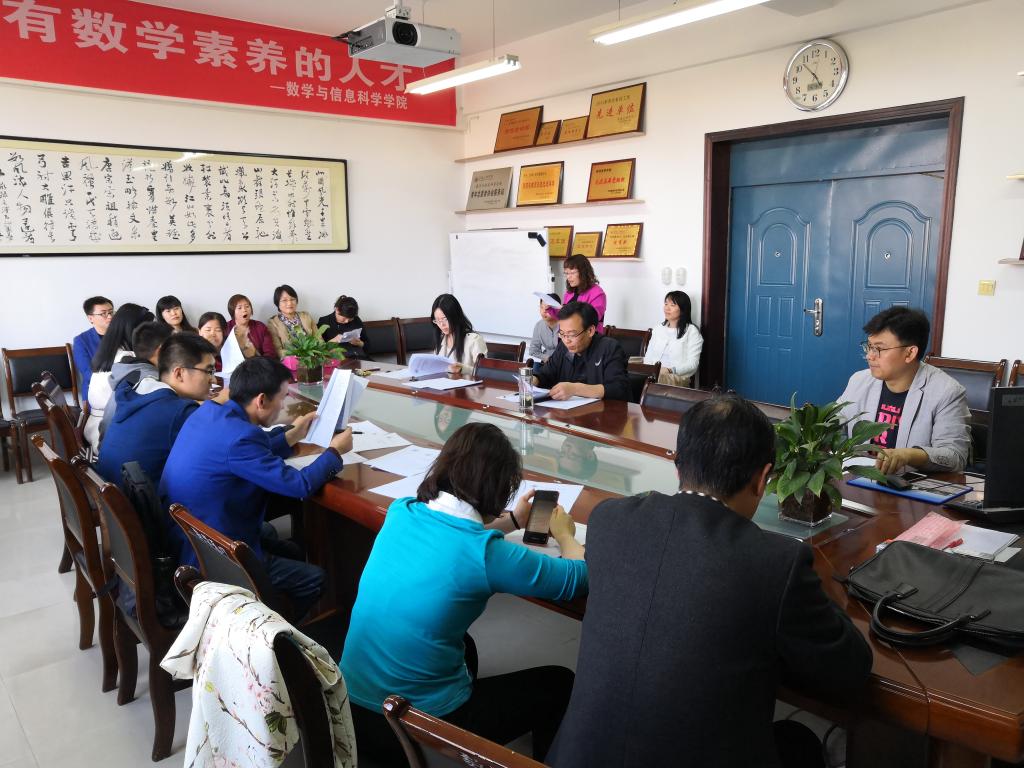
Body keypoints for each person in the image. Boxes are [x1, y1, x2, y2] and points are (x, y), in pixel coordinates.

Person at [548, 395, 873, 768]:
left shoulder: (609, 519)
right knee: (799, 742)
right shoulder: (777, 562)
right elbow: (850, 669)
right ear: (763, 479)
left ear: (677, 465)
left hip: (577, 757)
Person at [341, 422, 587, 765]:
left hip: (351, 707)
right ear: (499, 490)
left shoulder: (401, 510)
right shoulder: (486, 554)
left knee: (464, 645)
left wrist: (513, 522)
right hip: (414, 726)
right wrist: (564, 535)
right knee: (558, 684)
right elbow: (576, 578)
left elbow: (457, 533)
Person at [160, 356, 352, 617]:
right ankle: (274, 632)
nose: (283, 405)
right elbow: (300, 485)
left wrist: (292, 435)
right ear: (261, 400)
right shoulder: (241, 438)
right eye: (282, 398)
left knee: (292, 548)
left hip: (191, 536)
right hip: (215, 555)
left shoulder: (209, 412)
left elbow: (242, 454)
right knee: (314, 578)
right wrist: (335, 452)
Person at [839, 306, 970, 473]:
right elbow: (835, 422)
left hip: (910, 483)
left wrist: (909, 455)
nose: (869, 356)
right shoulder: (859, 381)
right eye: (869, 347)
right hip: (859, 479)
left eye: (879, 349)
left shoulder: (947, 392)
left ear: (910, 353)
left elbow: (955, 456)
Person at [97, 333, 218, 488]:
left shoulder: (138, 390)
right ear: (179, 373)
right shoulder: (181, 412)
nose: (213, 379)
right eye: (209, 371)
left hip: (110, 494)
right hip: (141, 500)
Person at [85, 303, 155, 449]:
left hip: (95, 426)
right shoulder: (127, 359)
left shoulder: (110, 351)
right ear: (133, 331)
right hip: (108, 433)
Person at [533, 301, 629, 401]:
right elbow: (545, 374)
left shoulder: (609, 348)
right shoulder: (563, 347)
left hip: (604, 409)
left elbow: (618, 388)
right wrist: (532, 381)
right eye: (562, 334)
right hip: (568, 409)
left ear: (590, 331)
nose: (566, 340)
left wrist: (575, 389)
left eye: (572, 334)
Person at [98, 321, 174, 441]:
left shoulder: (130, 372)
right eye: (176, 347)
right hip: (125, 449)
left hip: (107, 446)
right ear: (161, 350)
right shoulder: (151, 382)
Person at [642, 290, 704, 386]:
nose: (667, 308)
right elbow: (648, 357)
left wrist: (670, 370)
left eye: (672, 305)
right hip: (653, 374)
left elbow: (692, 364)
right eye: (666, 304)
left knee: (651, 382)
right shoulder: (658, 329)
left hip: (676, 377)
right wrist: (650, 370)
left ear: (683, 309)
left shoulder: (692, 331)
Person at [430, 293, 487, 374]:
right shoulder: (441, 339)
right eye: (437, 320)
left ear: (455, 316)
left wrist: (462, 369)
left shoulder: (474, 340)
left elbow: (484, 373)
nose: (442, 324)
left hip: (467, 382)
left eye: (445, 319)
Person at [73, 296, 114, 402]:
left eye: (111, 312)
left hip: (123, 389)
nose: (110, 316)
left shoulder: (122, 336)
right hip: (97, 392)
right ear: (90, 318)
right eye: (103, 313)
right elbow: (88, 373)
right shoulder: (81, 341)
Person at [266, 284, 319, 357]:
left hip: (314, 356)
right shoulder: (273, 323)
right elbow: (277, 350)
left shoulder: (306, 316)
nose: (289, 303)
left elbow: (319, 338)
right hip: (291, 360)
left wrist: (319, 353)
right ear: (277, 303)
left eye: (292, 299)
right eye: (284, 300)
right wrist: (296, 356)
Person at [562, 255, 607, 334]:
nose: (568, 277)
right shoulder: (569, 292)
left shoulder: (598, 293)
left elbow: (592, 319)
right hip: (569, 336)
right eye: (566, 273)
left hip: (590, 337)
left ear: (583, 272)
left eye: (572, 273)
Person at [226, 293, 277, 359]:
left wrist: (262, 363)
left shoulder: (260, 327)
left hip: (259, 363)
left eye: (247, 306)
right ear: (232, 312)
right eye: (239, 308)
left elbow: (270, 352)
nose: (244, 310)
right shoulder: (226, 328)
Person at [318, 295, 370, 359]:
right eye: (344, 318)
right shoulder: (324, 321)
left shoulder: (356, 320)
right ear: (337, 310)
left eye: (350, 319)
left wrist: (360, 343)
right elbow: (319, 350)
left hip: (360, 358)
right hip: (339, 360)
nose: (347, 321)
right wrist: (333, 341)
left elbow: (368, 345)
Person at [527, 292, 560, 364]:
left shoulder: (565, 325)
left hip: (564, 363)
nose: (544, 311)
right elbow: (533, 350)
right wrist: (545, 357)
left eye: (548, 308)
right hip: (547, 362)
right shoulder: (539, 325)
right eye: (541, 307)